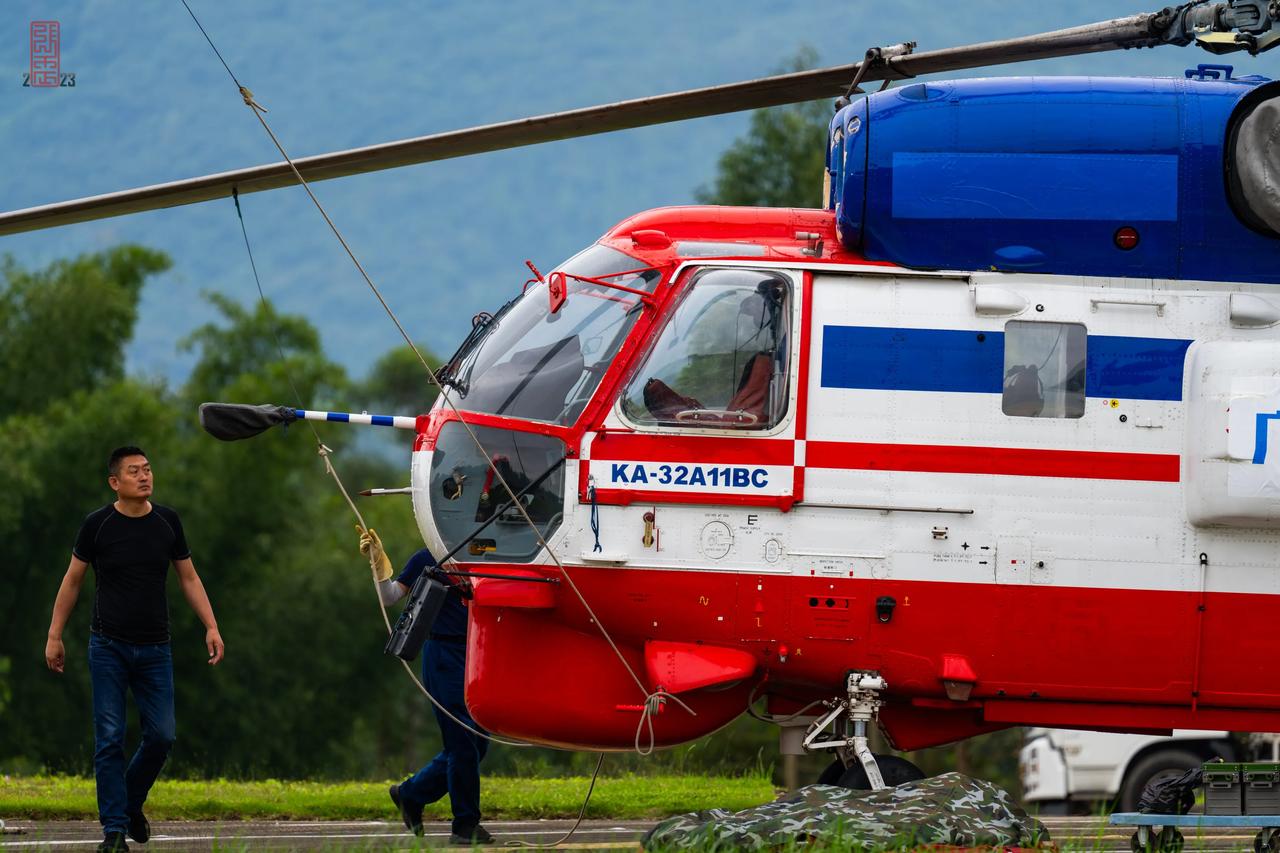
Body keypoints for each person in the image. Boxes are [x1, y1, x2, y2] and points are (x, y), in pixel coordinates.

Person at [45, 447, 224, 853]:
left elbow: (189, 578)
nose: (144, 477)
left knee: (162, 735)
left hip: (155, 648)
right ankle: (113, 832)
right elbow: (73, 581)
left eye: (147, 469)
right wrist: (55, 634)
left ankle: (129, 803)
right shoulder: (98, 525)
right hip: (107, 646)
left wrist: (211, 626)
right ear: (115, 482)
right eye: (134, 472)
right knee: (109, 738)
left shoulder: (167, 522)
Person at [359, 528, 492, 845]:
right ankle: (465, 825)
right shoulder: (426, 557)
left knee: (478, 744)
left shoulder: (485, 552)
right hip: (443, 655)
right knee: (462, 743)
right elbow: (391, 596)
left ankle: (410, 794)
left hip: (477, 653)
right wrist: (378, 564)